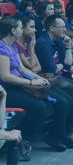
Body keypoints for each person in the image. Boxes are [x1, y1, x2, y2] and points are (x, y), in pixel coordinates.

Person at [35, 14, 73, 140]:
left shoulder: (59, 41)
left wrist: (68, 47)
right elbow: (51, 68)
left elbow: (67, 63)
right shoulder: (43, 43)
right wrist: (60, 64)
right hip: (51, 79)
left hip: (61, 76)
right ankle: (66, 130)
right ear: (52, 28)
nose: (65, 29)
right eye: (62, 27)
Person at [0, 16, 49, 160]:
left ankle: (22, 137)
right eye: (21, 28)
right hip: (6, 91)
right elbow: (5, 77)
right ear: (13, 30)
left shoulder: (12, 45)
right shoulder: (2, 47)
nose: (22, 31)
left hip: (17, 86)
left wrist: (38, 78)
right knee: (39, 107)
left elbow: (22, 69)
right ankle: (21, 138)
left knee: (45, 103)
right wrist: (31, 83)